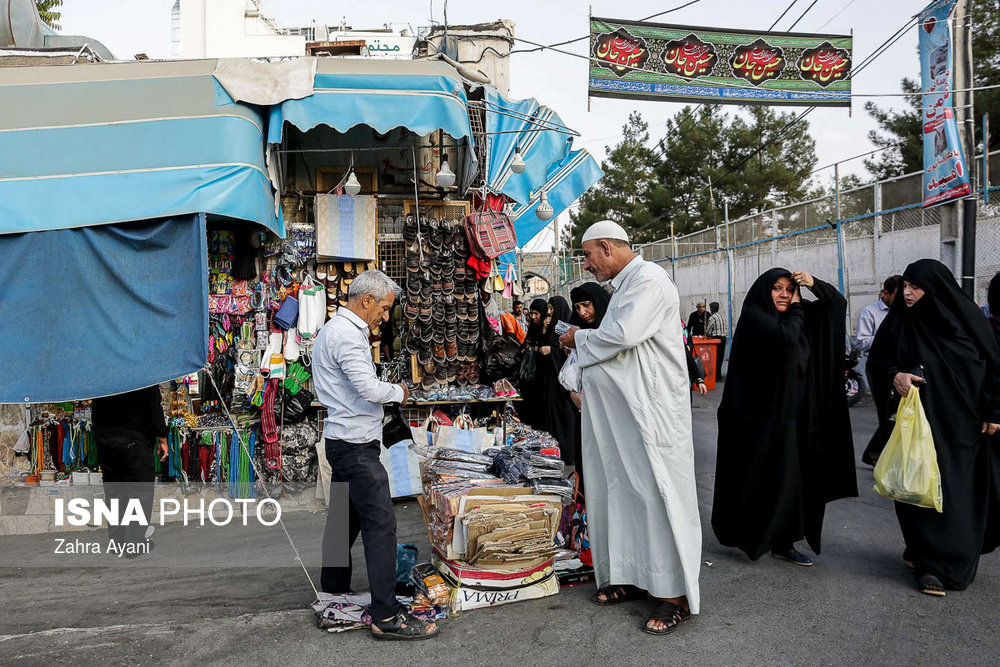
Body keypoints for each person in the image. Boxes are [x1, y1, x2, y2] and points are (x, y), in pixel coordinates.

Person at [559, 220, 701, 636]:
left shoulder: (650, 281)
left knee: (657, 495)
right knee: (619, 491)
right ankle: (635, 577)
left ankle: (674, 595)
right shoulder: (626, 286)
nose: (586, 265)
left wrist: (574, 340)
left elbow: (621, 335)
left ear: (607, 247)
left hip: (650, 415)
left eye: (588, 255)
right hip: (621, 417)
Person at [314, 270, 438, 640]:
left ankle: (333, 590)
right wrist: (399, 391)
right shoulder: (347, 336)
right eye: (384, 308)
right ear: (366, 300)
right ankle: (386, 615)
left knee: (343, 522)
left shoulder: (334, 330)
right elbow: (368, 388)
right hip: (353, 446)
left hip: (343, 440)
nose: (385, 316)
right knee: (381, 524)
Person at [867, 260, 1000, 597]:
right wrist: (894, 376)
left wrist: (994, 410)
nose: (908, 293)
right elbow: (879, 361)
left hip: (966, 430)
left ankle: (954, 559)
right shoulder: (900, 324)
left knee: (960, 497)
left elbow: (995, 366)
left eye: (916, 286)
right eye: (906, 286)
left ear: (936, 289)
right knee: (920, 491)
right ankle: (928, 562)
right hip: (920, 428)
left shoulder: (968, 322)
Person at [712, 268, 857, 567]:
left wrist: (814, 284)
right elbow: (788, 338)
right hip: (757, 421)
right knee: (761, 481)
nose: (783, 294)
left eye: (789, 290)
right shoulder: (757, 317)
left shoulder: (796, 316)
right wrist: (798, 306)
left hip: (793, 417)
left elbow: (837, 305)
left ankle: (783, 541)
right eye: (777, 288)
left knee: (792, 482)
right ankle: (753, 536)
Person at [91, 385, 169, 554]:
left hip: (106, 440)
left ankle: (117, 542)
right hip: (134, 438)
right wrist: (162, 436)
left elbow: (95, 408)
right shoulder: (142, 374)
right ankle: (134, 544)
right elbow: (153, 406)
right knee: (139, 493)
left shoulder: (102, 373)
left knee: (114, 492)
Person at [857, 275, 903, 466]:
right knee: (886, 414)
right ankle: (879, 456)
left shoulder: (904, 312)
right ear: (885, 293)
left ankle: (875, 453)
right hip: (878, 369)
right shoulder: (870, 312)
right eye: (898, 295)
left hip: (899, 369)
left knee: (897, 413)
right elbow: (861, 341)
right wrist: (887, 337)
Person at [533, 295, 578, 463]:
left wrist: (553, 352)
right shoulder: (550, 326)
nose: (548, 312)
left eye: (552, 308)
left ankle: (568, 453)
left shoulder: (567, 329)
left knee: (565, 416)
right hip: (551, 382)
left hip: (563, 386)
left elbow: (570, 353)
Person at [705, 302, 727, 381]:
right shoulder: (722, 317)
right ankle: (719, 374)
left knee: (715, 357)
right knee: (720, 357)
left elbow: (707, 331)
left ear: (711, 309)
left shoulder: (712, 318)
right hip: (723, 338)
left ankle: (716, 375)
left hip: (716, 338)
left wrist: (708, 335)